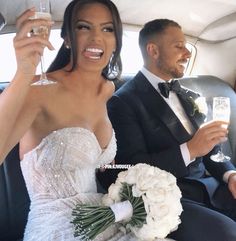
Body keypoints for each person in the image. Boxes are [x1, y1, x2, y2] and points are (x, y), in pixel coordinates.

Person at [2, 1, 176, 241]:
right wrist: (23, 72)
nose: (96, 38)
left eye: (107, 29)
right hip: (56, 226)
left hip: (104, 216)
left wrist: (143, 187)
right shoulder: (38, 89)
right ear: (67, 38)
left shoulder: (107, 89)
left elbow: (103, 165)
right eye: (84, 27)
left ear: (116, 41)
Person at [97, 19, 236, 241]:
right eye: (178, 46)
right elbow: (131, 167)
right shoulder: (123, 103)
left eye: (187, 46)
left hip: (212, 187)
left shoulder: (188, 94)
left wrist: (230, 174)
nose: (187, 54)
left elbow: (211, 147)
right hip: (170, 200)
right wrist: (189, 149)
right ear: (153, 50)